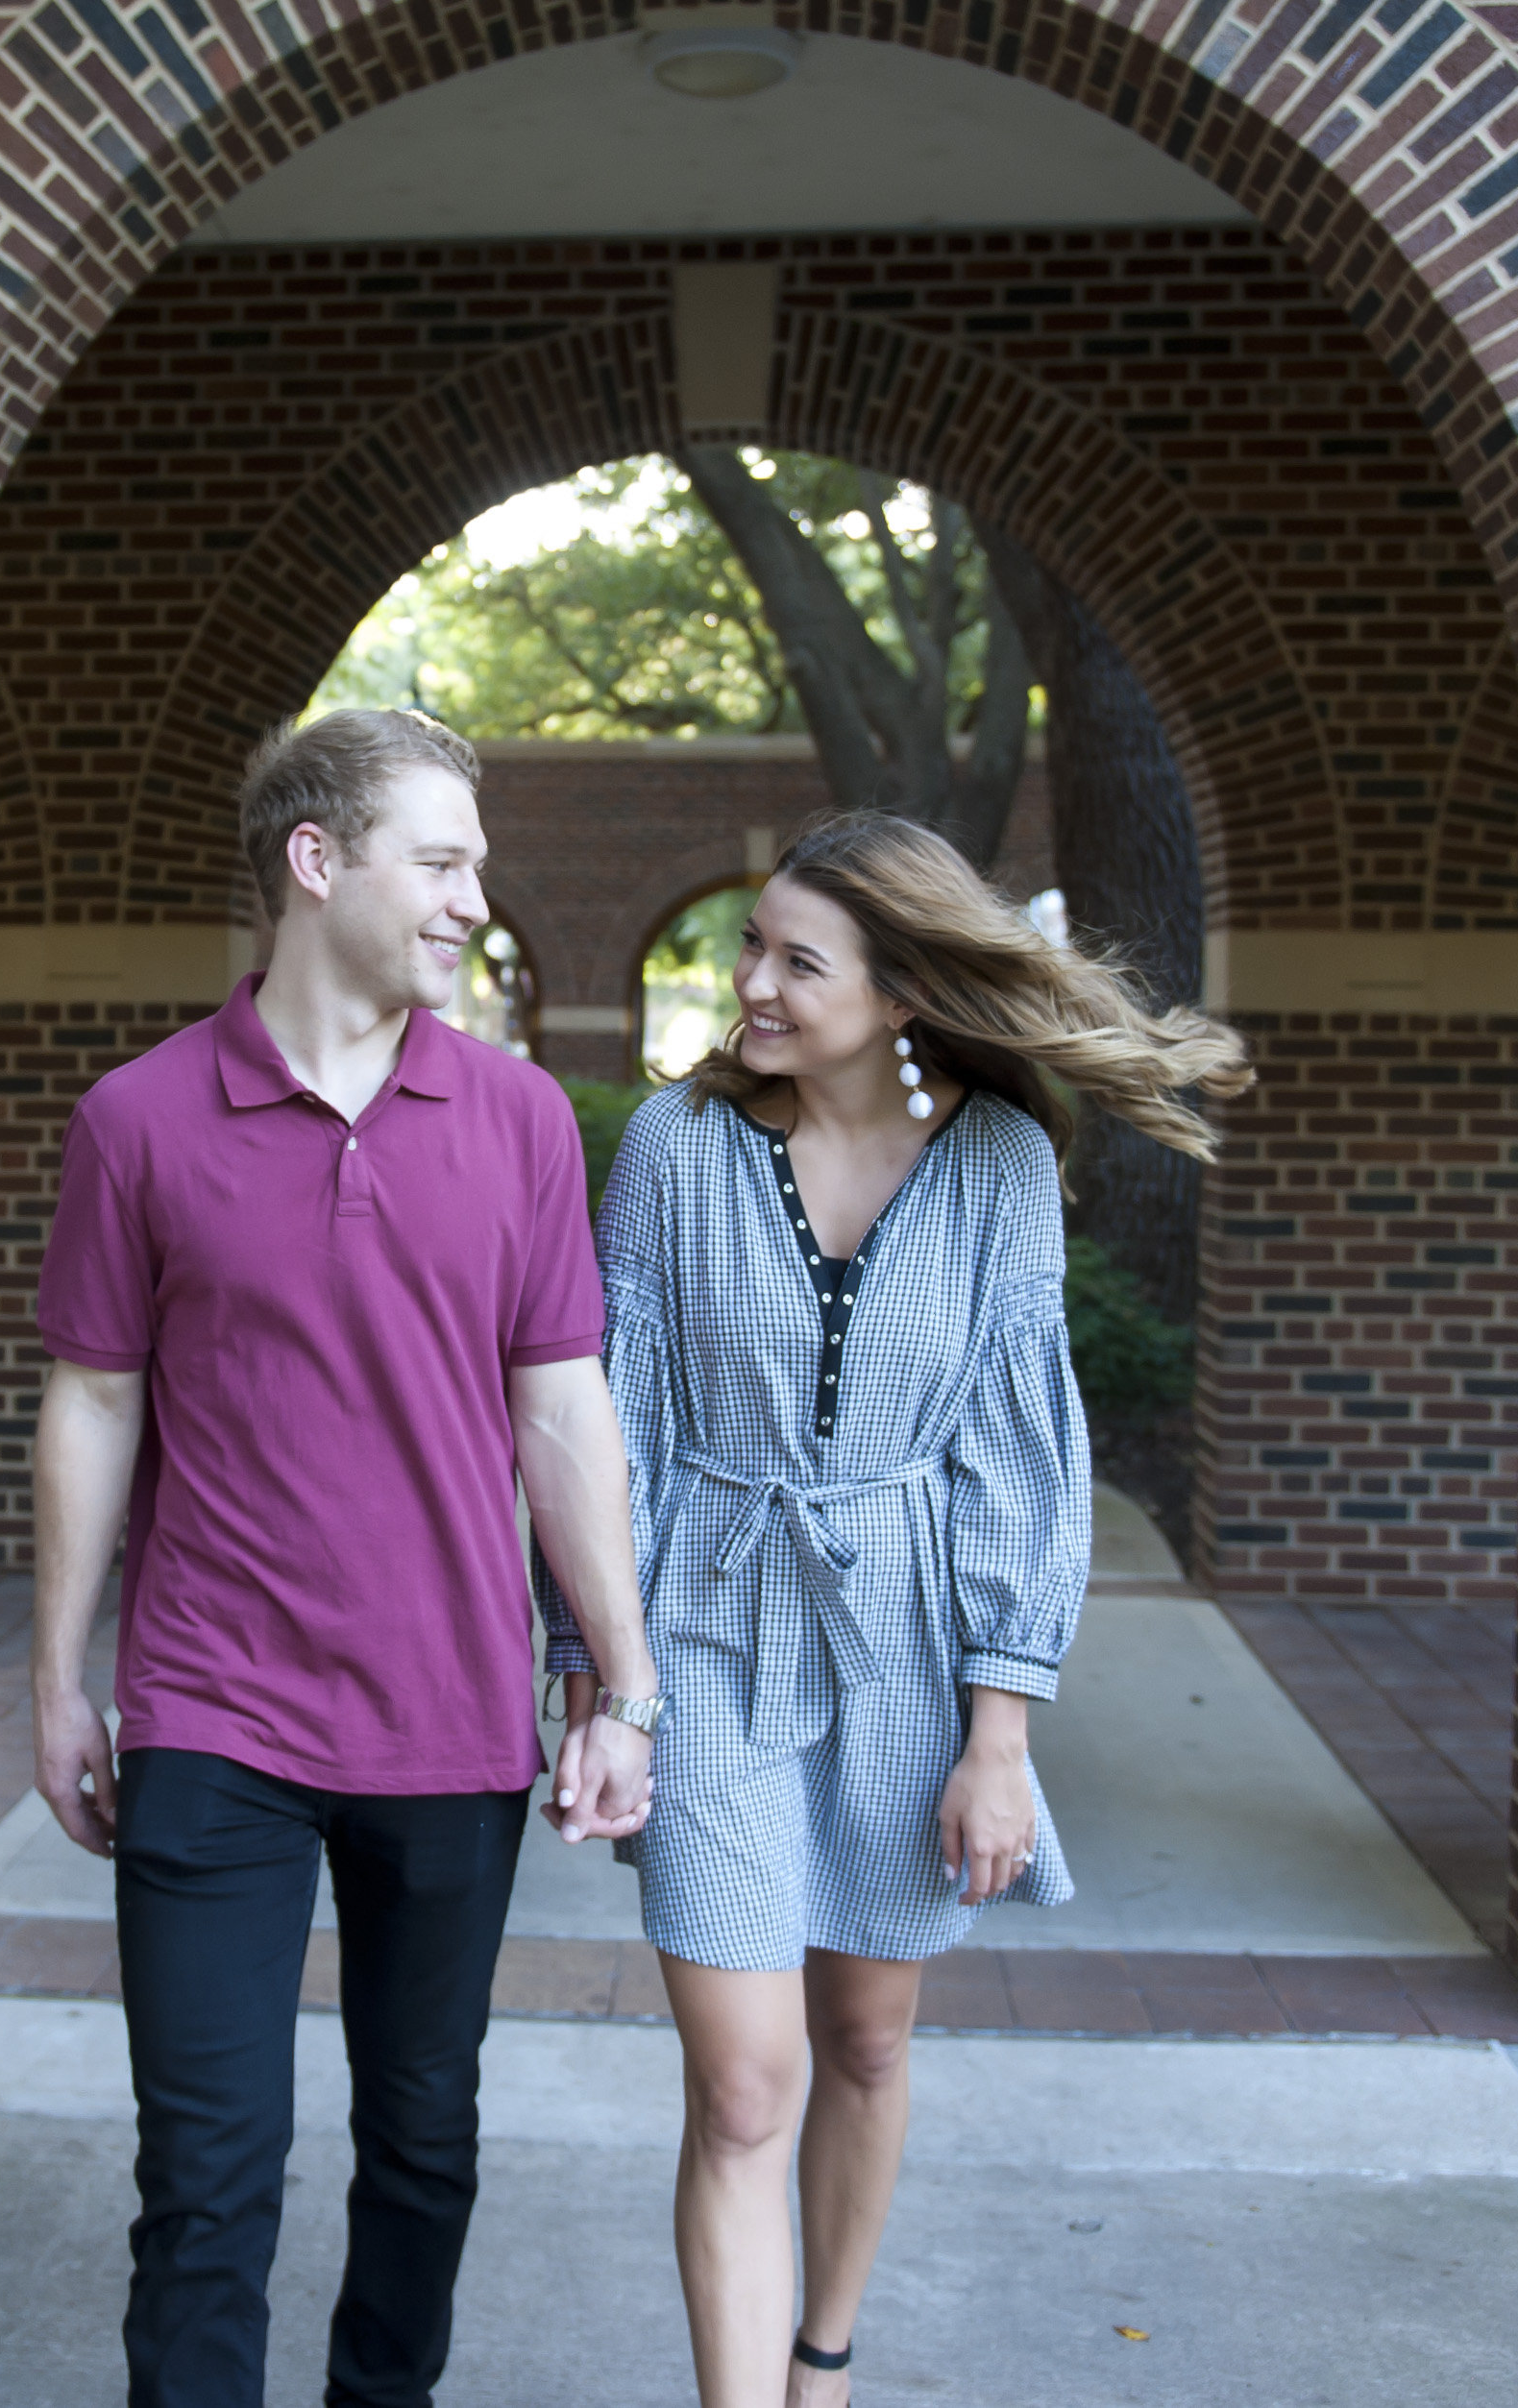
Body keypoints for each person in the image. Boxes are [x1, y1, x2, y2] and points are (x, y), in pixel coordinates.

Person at [544, 813, 1252, 2408]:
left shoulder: (997, 1165)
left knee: (864, 2045)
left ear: (904, 989)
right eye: (752, 948)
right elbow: (621, 1420)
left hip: (912, 1654)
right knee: (744, 2087)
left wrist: (998, 1735)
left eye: (798, 958)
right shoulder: (675, 1147)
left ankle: (823, 2369)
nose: (753, 984)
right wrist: (602, 1670)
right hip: (709, 1635)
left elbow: (1019, 1449)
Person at [28, 707, 664, 2408]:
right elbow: (92, 1404)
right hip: (209, 1715)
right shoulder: (140, 1118)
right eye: (439, 862)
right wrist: (55, 1681)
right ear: (317, 865)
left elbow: (562, 1415)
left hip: (453, 1712)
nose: (473, 899)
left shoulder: (521, 1119)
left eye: (474, 865)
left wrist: (625, 1684)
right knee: (207, 2178)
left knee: (422, 2148)